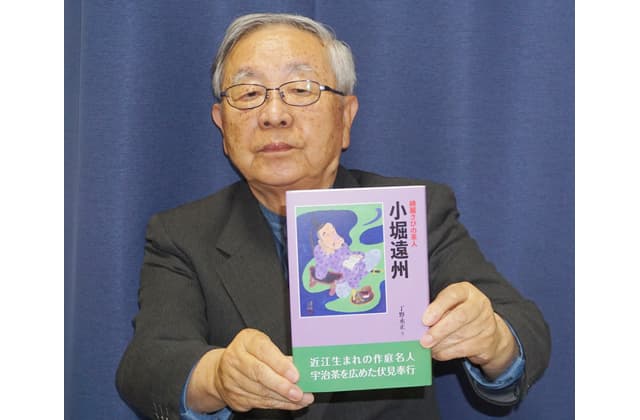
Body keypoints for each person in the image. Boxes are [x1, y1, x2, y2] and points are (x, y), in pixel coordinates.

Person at [116, 13, 550, 420]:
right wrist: (216, 377)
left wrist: (493, 339)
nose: (273, 115)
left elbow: (525, 326)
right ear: (222, 125)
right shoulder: (182, 233)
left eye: (301, 89)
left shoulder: (409, 213)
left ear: (345, 117)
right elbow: (146, 365)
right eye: (248, 94)